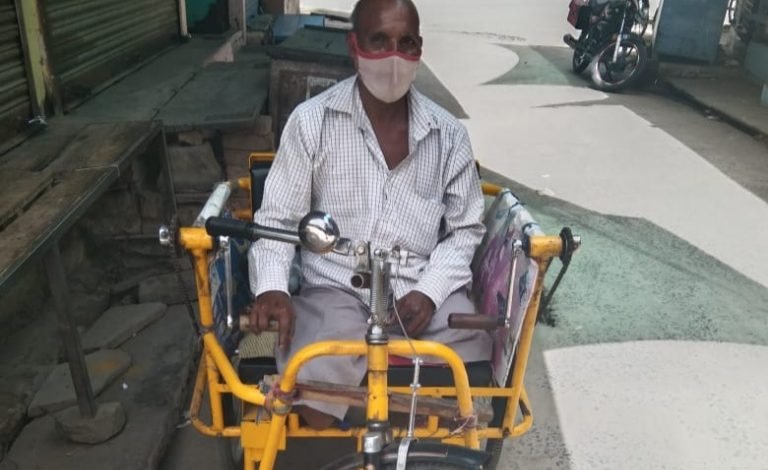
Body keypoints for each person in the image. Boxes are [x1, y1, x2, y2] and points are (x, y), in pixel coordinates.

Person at [247, 0, 490, 429]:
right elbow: (279, 221)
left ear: (419, 49)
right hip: (335, 288)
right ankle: (357, 426)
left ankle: (408, 430)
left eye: (406, 43)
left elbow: (465, 230)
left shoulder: (449, 135)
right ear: (353, 46)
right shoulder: (312, 122)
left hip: (417, 289)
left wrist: (431, 291)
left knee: (478, 352)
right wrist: (272, 287)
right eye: (379, 41)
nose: (394, 57)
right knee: (314, 388)